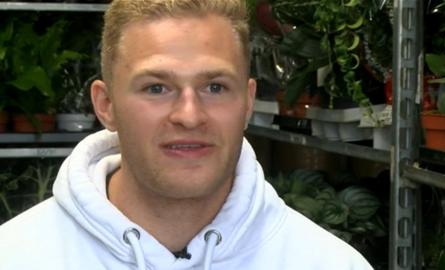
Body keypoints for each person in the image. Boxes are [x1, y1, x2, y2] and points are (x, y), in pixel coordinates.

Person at [0, 0, 373, 269]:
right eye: (156, 88)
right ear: (106, 104)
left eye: (214, 87)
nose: (189, 116)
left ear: (247, 103)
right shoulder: (17, 256)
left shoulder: (328, 262)